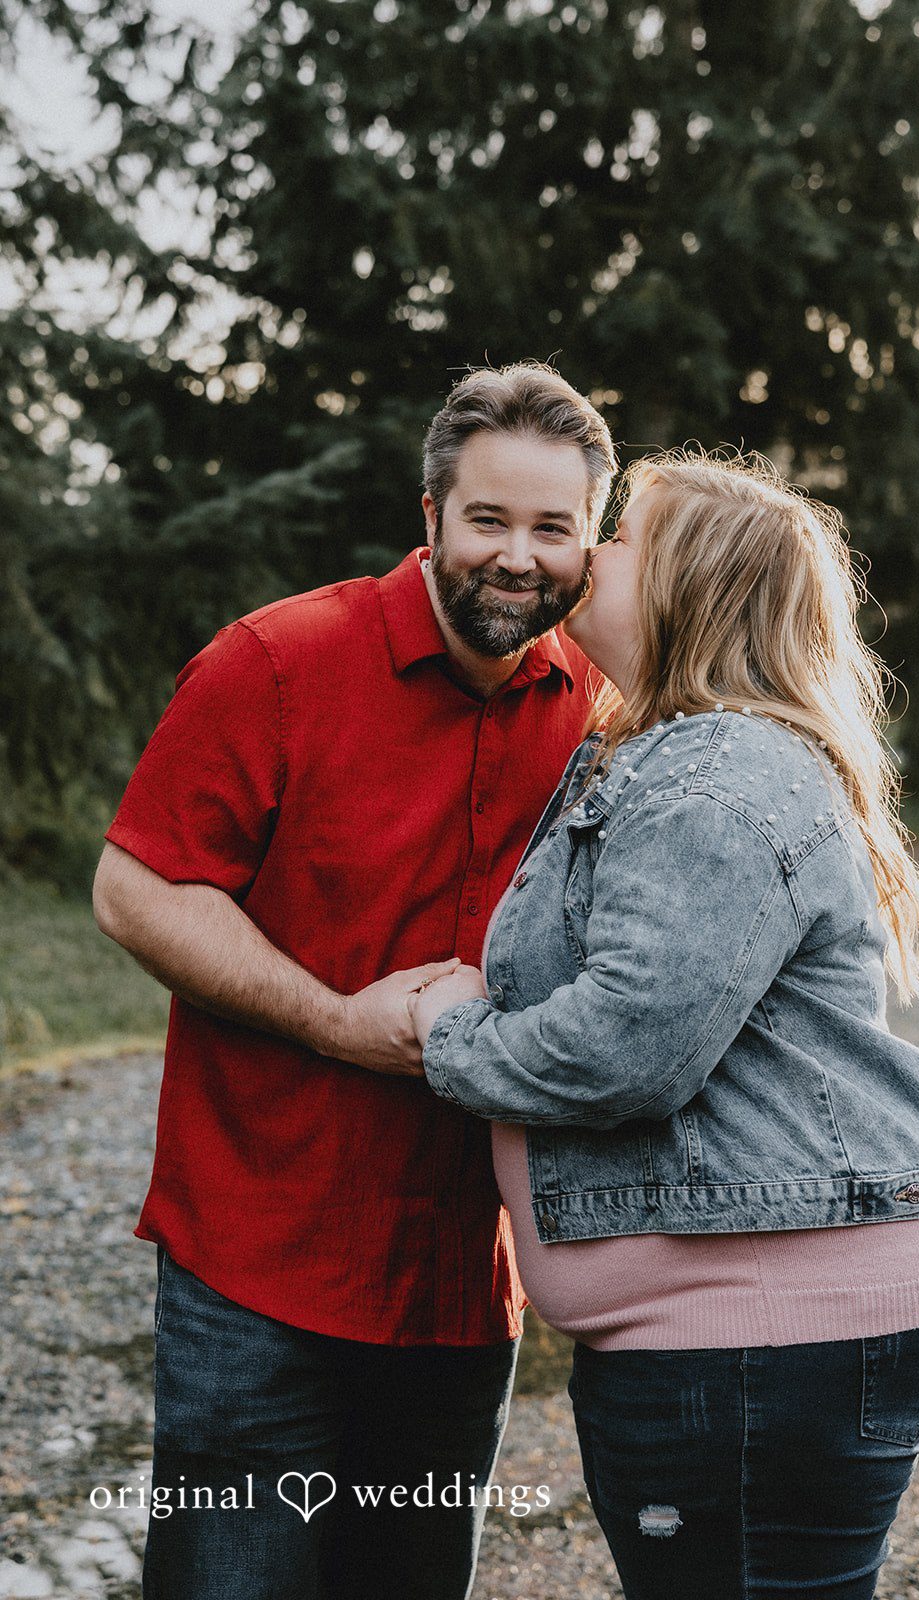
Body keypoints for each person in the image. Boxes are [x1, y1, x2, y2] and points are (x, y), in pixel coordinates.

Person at [395, 450, 919, 1600]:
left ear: (686, 590)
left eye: (620, 539)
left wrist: (446, 1029)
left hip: (762, 1335)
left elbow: (624, 1051)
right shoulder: (665, 750)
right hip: (750, 1326)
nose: (590, 555)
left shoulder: (715, 778)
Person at [91, 363, 616, 1600]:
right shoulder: (276, 662)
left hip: (457, 1275)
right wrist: (335, 1022)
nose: (518, 557)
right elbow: (135, 889)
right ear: (428, 514)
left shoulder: (602, 708)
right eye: (488, 519)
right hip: (256, 1255)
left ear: (592, 542)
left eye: (554, 529)